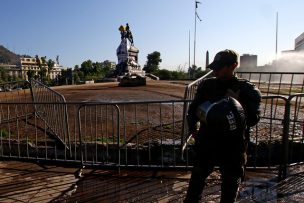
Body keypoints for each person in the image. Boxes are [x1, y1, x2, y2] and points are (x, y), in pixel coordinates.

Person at [184, 49, 261, 203]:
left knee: (230, 187)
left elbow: (253, 119)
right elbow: (192, 111)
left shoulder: (246, 89)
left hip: (233, 146)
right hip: (207, 142)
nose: (215, 70)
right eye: (215, 66)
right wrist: (194, 131)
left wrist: (238, 106)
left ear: (233, 66)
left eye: (220, 67)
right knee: (196, 183)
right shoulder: (207, 85)